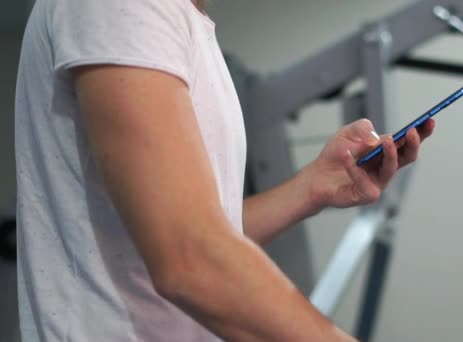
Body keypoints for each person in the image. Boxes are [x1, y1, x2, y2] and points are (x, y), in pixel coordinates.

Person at [15, 0, 434, 341]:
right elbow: (190, 255)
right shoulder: (124, 7)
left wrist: (311, 187)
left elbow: (190, 233)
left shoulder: (181, 20)